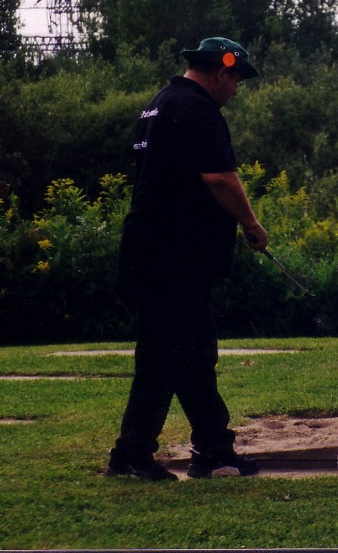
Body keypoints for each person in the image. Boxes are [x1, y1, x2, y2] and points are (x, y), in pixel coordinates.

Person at [106, 37, 268, 480]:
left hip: (157, 250)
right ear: (221, 72)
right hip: (174, 255)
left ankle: (213, 449)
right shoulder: (198, 110)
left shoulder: (157, 106)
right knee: (163, 356)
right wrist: (252, 227)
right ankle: (131, 455)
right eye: (237, 80)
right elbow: (218, 176)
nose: (236, 89)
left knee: (196, 355)